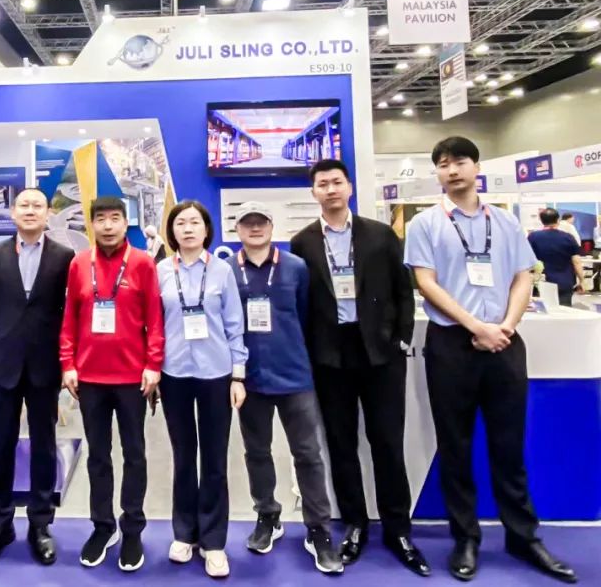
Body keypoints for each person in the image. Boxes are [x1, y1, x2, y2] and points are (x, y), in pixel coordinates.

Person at [404, 137, 576, 584]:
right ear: (437, 174)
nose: (452, 170)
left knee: (508, 446)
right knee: (455, 447)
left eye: (460, 161)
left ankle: (523, 536)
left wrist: (505, 326)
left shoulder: (505, 221)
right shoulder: (425, 223)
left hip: (504, 343)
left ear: (476, 167)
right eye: (443, 164)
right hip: (451, 343)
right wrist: (475, 327)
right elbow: (427, 283)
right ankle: (465, 538)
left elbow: (523, 276)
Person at [292, 161, 429, 577]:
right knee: (341, 444)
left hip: (381, 354)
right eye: (322, 184)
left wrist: (401, 338)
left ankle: (398, 530)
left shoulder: (380, 234)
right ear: (313, 193)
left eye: (337, 182)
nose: (330, 189)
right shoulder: (302, 243)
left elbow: (403, 291)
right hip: (330, 356)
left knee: (387, 441)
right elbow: (301, 303)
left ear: (349, 187)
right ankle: (354, 525)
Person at [227, 201, 343, 574]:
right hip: (250, 380)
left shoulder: (295, 268)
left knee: (308, 454)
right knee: (257, 453)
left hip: (295, 377)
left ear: (271, 226)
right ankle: (268, 515)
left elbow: (307, 317)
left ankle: (318, 528)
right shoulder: (228, 271)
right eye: (248, 223)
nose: (255, 228)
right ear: (237, 229)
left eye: (261, 221)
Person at [0, 188, 75, 569]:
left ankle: (40, 524)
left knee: (44, 447)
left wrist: (67, 363)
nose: (30, 211)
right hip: (2, 365)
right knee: (1, 446)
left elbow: (68, 314)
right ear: (13, 213)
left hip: (46, 366)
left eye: (38, 206)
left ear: (48, 214)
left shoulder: (64, 256)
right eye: (24, 205)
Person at [59, 196, 164, 572]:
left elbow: (155, 316)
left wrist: (154, 365)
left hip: (133, 378)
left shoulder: (143, 263)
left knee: (135, 454)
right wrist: (67, 364)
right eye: (100, 219)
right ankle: (102, 527)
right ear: (92, 224)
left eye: (115, 218)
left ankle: (132, 529)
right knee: (98, 456)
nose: (107, 225)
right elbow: (69, 318)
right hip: (89, 378)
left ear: (125, 223)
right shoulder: (78, 264)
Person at [157, 200, 248, 578]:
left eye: (195, 222)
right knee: (182, 456)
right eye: (181, 223)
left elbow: (234, 324)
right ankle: (184, 533)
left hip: (216, 373)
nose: (188, 229)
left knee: (214, 459)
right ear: (172, 231)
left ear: (207, 230)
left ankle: (213, 541)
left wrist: (238, 376)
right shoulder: (161, 270)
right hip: (174, 373)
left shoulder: (222, 270)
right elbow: (153, 323)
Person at [527, 209, 584, 308]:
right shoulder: (568, 237)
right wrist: (582, 280)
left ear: (541, 220)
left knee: (543, 310)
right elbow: (576, 261)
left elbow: (528, 260)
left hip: (541, 281)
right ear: (558, 220)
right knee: (564, 310)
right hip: (565, 281)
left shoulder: (533, 237)